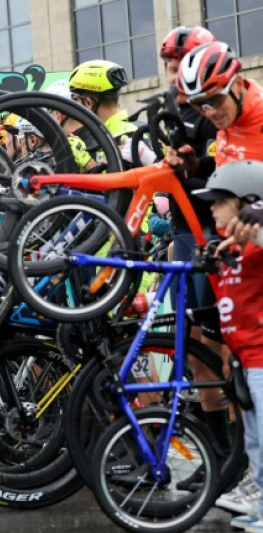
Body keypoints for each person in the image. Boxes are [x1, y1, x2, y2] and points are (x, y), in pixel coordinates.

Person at [172, 40, 263, 515]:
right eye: (198, 104)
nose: (209, 111)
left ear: (237, 81)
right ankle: (244, 470)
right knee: (228, 362)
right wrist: (195, 168)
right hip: (235, 252)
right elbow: (228, 179)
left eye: (214, 100)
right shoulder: (220, 122)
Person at [191, 161, 263, 532]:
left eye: (219, 202)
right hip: (244, 358)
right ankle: (260, 500)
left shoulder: (256, 244)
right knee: (253, 438)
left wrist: (257, 223)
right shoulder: (227, 248)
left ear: (246, 203)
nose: (213, 209)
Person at [68, 59, 156, 168]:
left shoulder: (118, 138)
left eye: (75, 99)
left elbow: (116, 183)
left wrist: (86, 162)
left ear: (88, 102)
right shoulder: (141, 126)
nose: (75, 105)